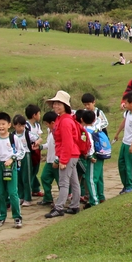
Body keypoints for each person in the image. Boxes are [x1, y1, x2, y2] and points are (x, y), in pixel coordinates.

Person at [44, 90, 82, 218]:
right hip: (71, 154)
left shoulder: (65, 121)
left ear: (65, 105)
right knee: (74, 181)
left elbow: (67, 142)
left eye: (59, 103)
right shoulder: (62, 118)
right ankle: (74, 205)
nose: (56, 106)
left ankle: (59, 207)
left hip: (69, 154)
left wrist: (63, 160)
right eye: (55, 103)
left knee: (64, 182)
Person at [0, 112, 23, 229]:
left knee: (13, 193)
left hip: (11, 167)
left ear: (9, 125)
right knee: (0, 193)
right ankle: (1, 216)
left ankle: (17, 217)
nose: (1, 126)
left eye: (3, 124)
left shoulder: (14, 138)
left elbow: (21, 152)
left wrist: (12, 158)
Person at [117, 92, 132, 194]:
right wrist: (117, 133)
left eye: (126, 103)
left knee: (130, 165)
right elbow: (124, 122)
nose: (124, 105)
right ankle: (126, 185)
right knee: (121, 164)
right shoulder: (128, 113)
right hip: (125, 142)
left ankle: (131, 185)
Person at [11, 114, 34, 209]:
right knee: (18, 178)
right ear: (14, 125)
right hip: (17, 157)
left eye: (23, 126)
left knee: (26, 177)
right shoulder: (12, 135)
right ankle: (21, 196)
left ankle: (28, 198)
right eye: (19, 126)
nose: (21, 128)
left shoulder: (27, 133)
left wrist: (36, 143)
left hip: (26, 156)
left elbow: (38, 138)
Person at [37, 111, 58, 208]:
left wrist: (58, 160)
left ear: (53, 123)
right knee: (44, 177)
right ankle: (48, 198)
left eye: (47, 124)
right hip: (49, 161)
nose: (46, 126)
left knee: (61, 182)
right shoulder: (50, 132)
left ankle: (66, 198)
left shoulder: (58, 132)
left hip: (57, 161)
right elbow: (49, 145)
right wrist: (40, 147)